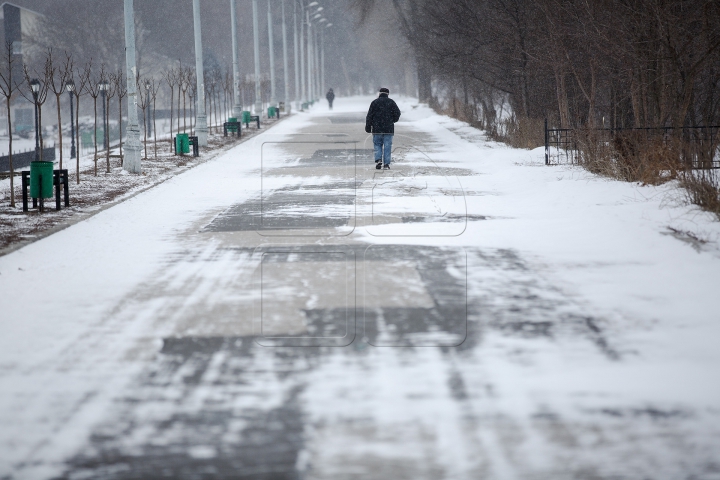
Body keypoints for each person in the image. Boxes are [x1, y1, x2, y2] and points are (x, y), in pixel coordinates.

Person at [365, 87, 401, 170]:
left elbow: (369, 115)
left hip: (377, 128)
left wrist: (368, 126)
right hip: (388, 129)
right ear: (388, 94)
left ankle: (378, 160)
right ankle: (386, 164)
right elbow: (397, 113)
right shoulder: (391, 102)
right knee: (387, 146)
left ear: (379, 93)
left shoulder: (374, 102)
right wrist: (392, 120)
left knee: (377, 144)